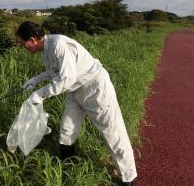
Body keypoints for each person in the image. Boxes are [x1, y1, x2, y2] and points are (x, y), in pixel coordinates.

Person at [16, 21, 137, 186]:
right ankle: (68, 167)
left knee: (112, 132)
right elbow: (54, 72)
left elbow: (66, 78)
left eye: (23, 44)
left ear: (32, 39)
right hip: (75, 91)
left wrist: (40, 94)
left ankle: (128, 178)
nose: (23, 47)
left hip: (95, 88)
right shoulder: (46, 49)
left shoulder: (59, 44)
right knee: (66, 130)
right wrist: (34, 80)